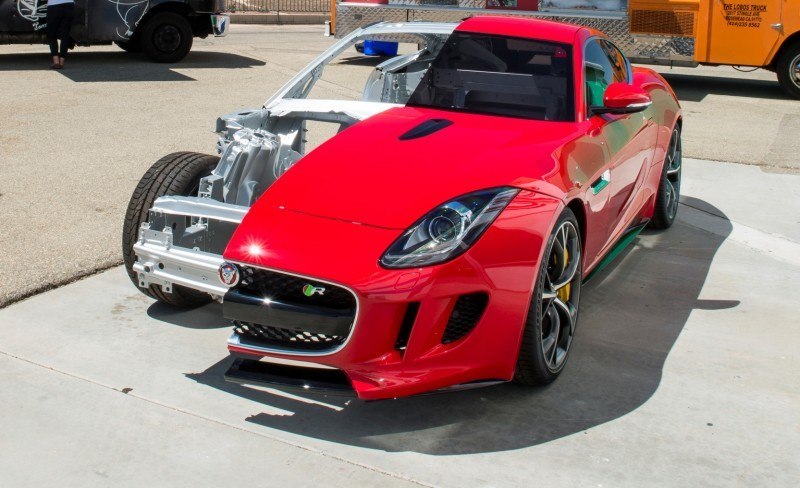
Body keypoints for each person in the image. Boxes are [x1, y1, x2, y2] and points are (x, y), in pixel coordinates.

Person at [46, 0, 75, 69]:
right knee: (65, 35)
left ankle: (56, 62)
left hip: (53, 5)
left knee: (52, 35)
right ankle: (62, 62)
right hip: (69, 5)